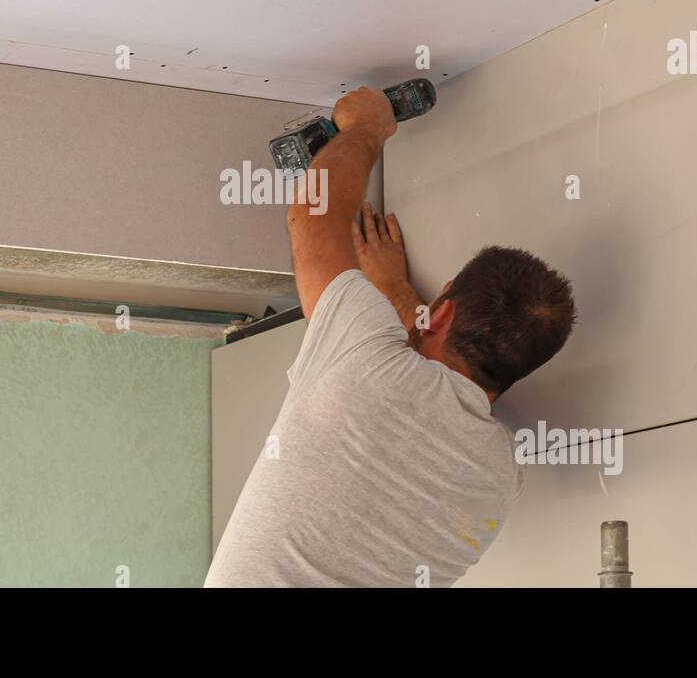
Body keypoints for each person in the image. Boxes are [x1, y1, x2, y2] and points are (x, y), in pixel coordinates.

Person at [206, 86, 576, 587]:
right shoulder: (499, 477)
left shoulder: (368, 360)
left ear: (441, 312)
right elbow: (427, 400)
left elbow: (312, 217)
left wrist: (366, 129)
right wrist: (400, 297)